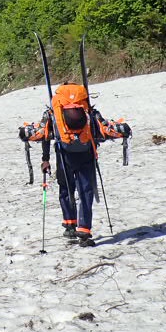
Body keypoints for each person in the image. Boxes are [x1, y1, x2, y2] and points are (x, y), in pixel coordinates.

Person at [19, 82, 131, 246]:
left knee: (66, 188)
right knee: (86, 191)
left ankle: (70, 224)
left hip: (64, 156)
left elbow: (45, 135)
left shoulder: (55, 112)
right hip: (86, 154)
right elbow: (104, 129)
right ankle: (84, 231)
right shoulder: (87, 110)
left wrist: (45, 159)